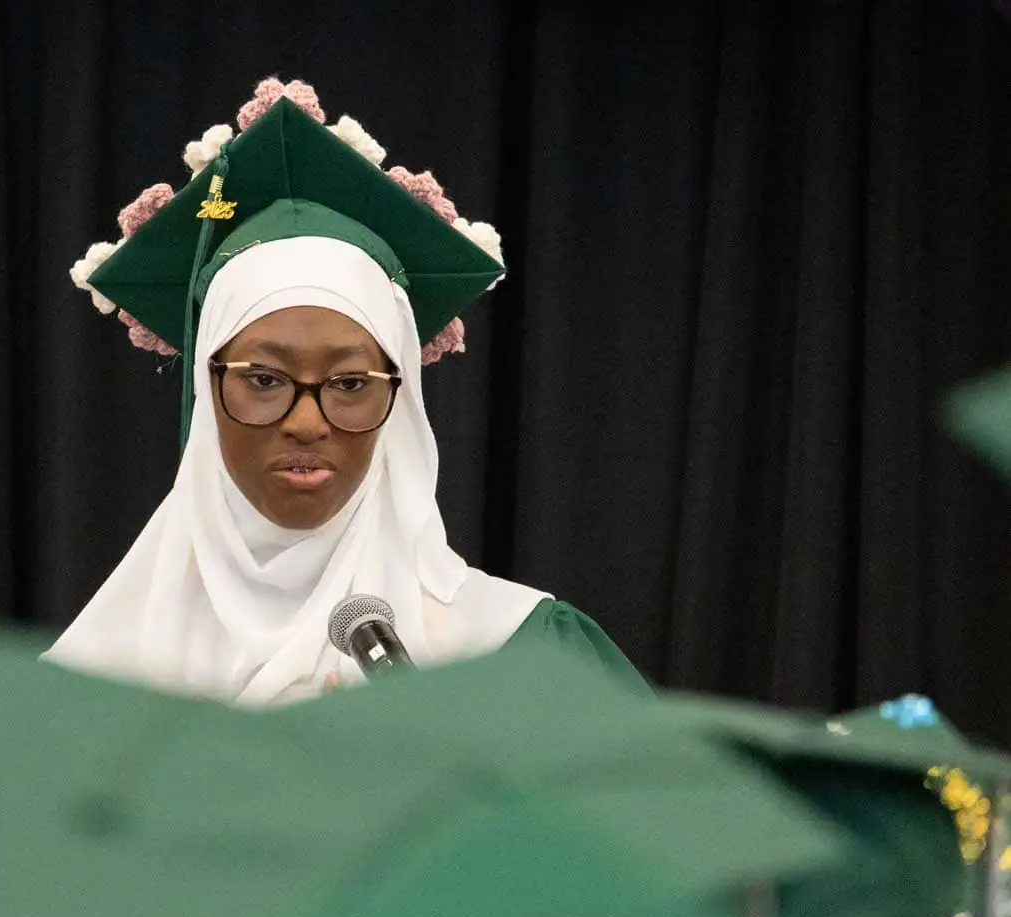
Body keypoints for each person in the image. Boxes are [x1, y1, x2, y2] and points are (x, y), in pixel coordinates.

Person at [48, 78, 644, 705]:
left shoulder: (515, 656)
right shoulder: (96, 674)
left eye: (352, 383)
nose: (307, 423)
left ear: (402, 398)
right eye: (263, 379)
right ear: (206, 388)